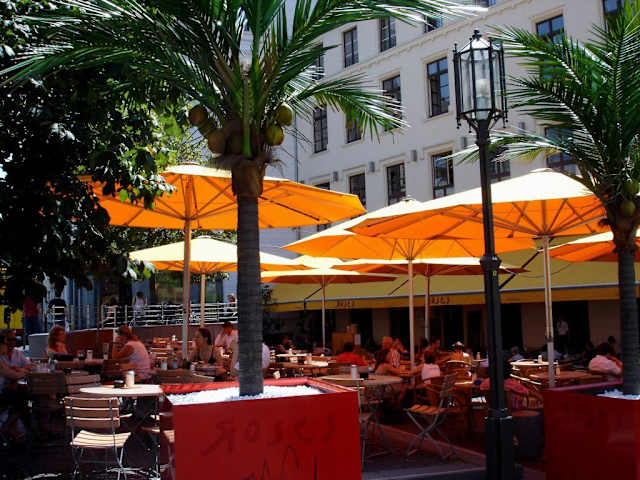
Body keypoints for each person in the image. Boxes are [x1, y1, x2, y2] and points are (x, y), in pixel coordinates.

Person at [0, 331, 29, 443]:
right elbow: (14, 375)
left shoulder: (12, 355)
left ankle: (12, 430)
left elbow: (13, 372)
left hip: (5, 390)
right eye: (6, 342)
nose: (8, 345)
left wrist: (18, 371)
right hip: (2, 393)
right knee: (22, 399)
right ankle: (7, 428)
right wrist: (22, 371)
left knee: (21, 394)